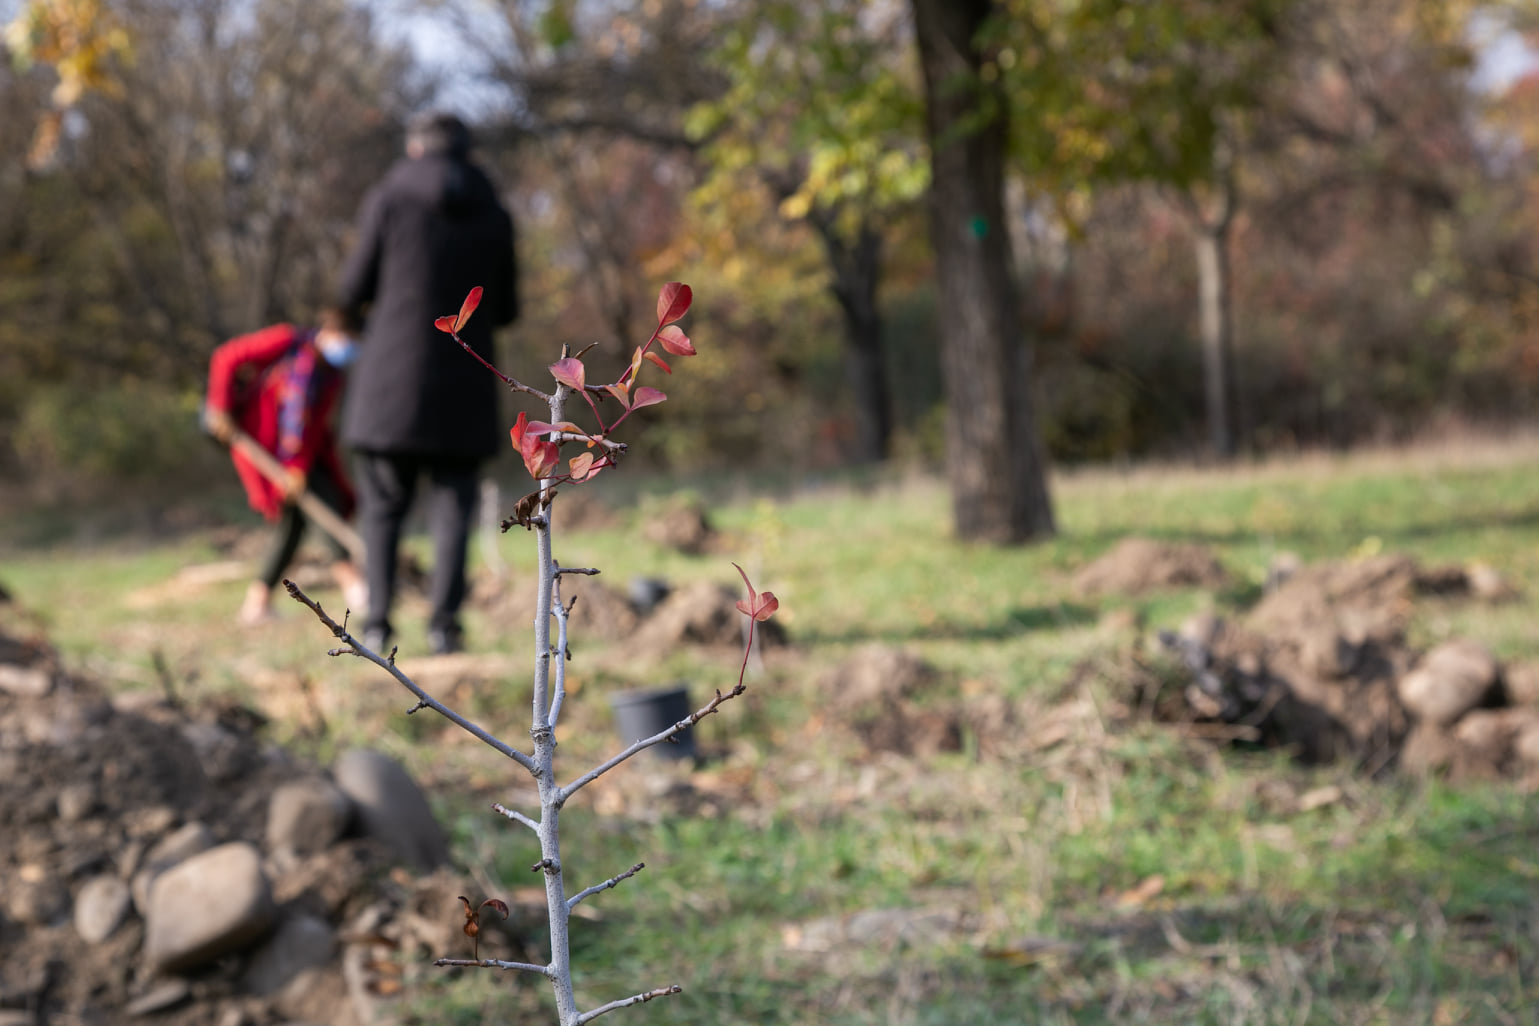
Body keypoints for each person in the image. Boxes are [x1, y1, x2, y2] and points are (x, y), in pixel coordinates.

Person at [336, 111, 518, 655]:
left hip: (391, 384)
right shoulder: (495, 212)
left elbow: (352, 288)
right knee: (454, 508)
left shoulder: (389, 199)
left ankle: (377, 626)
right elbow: (508, 308)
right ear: (467, 152)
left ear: (415, 148)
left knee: (382, 507)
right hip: (465, 382)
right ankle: (445, 628)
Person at [204, 308, 369, 625]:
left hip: (299, 459)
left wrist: (298, 466)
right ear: (332, 332)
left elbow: (312, 428)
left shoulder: (331, 376)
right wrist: (220, 407)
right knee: (318, 505)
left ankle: (258, 604)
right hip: (261, 445)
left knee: (294, 521)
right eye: (348, 339)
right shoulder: (287, 341)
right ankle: (355, 586)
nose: (350, 349)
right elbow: (226, 357)